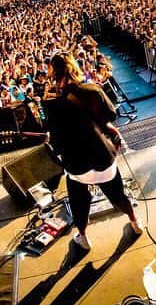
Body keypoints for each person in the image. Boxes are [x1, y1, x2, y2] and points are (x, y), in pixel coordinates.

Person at [42, 52, 142, 250]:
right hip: (103, 156)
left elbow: (56, 139)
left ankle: (83, 237)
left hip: (78, 164)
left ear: (53, 74)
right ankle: (135, 222)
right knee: (118, 194)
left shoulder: (52, 103)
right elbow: (111, 115)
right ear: (75, 67)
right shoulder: (92, 90)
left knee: (78, 199)